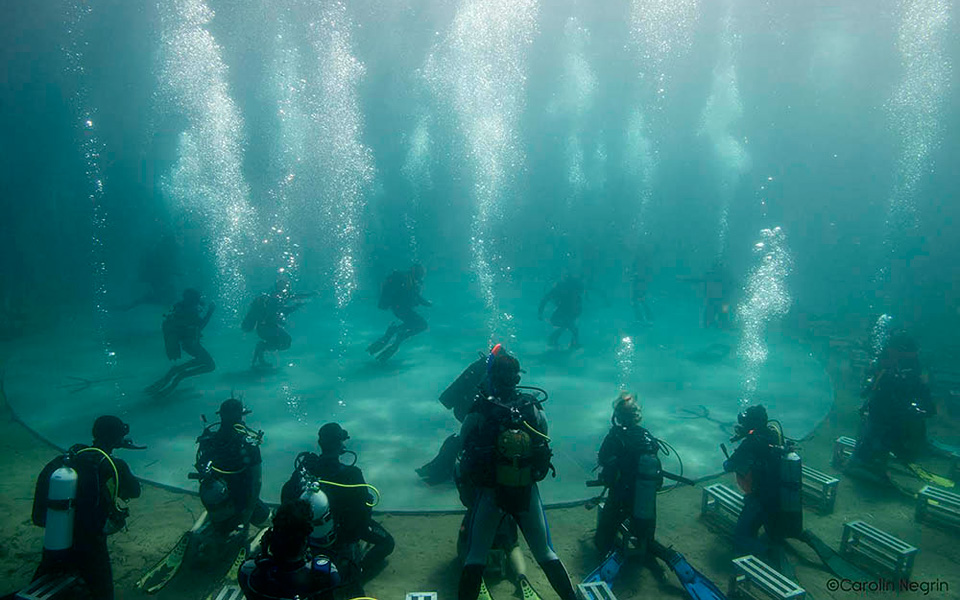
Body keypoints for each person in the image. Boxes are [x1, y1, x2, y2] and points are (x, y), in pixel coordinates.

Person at [457, 345, 577, 600]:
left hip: (491, 492)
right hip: (525, 490)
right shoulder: (531, 405)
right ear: (518, 379)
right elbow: (544, 436)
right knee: (545, 552)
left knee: (476, 555)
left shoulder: (482, 406)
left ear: (491, 376)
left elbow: (463, 438)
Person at [30, 416, 143, 600]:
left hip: (56, 538)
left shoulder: (66, 460)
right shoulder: (113, 465)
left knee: (42, 582)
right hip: (91, 545)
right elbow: (134, 491)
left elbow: (39, 515)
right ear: (116, 438)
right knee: (102, 592)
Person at [280, 423, 394, 582]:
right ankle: (358, 570)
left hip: (309, 533)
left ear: (320, 443)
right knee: (387, 543)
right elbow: (363, 516)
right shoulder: (352, 474)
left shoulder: (305, 470)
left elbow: (286, 498)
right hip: (343, 535)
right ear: (340, 444)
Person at [851, 330, 935, 475]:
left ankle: (875, 460)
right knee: (874, 434)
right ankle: (861, 463)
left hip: (892, 408)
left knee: (883, 435)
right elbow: (875, 387)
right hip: (881, 408)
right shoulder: (888, 363)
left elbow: (917, 387)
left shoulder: (908, 364)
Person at [595, 392, 663, 558]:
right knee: (646, 524)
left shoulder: (615, 436)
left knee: (603, 534)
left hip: (621, 494)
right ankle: (649, 546)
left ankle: (605, 550)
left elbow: (603, 458)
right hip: (645, 493)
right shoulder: (647, 435)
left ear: (617, 416)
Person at [194, 398, 269, 536]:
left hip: (217, 496)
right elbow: (257, 482)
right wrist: (249, 511)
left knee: (213, 514)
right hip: (241, 498)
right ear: (241, 416)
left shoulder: (209, 440)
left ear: (221, 415)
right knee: (268, 524)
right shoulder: (247, 445)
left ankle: (194, 532)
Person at [239, 499, 340, 600]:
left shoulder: (248, 572)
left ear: (271, 539)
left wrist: (264, 554)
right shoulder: (326, 575)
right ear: (305, 541)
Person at [722, 405, 786, 562]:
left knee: (741, 538)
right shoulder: (773, 434)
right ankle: (773, 534)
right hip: (780, 496)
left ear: (751, 425)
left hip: (760, 499)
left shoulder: (750, 443)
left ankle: (768, 554)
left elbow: (729, 465)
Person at [416, 353, 487, 485]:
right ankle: (441, 468)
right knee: (467, 437)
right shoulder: (492, 374)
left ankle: (439, 467)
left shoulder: (483, 370)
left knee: (462, 438)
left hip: (466, 409)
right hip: (472, 411)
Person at [145, 288, 215, 396]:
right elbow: (200, 326)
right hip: (191, 344)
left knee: (203, 361)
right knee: (210, 365)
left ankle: (177, 372)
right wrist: (210, 312)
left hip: (188, 343)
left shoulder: (180, 307)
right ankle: (179, 376)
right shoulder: (190, 309)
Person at [243, 277, 314, 369]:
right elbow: (281, 311)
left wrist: (308, 297)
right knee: (285, 342)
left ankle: (261, 353)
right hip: (266, 329)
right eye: (284, 287)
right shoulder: (275, 297)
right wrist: (298, 305)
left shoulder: (278, 296)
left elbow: (294, 297)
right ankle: (261, 348)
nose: (286, 289)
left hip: (267, 328)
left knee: (284, 341)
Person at [368, 263, 431, 362]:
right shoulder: (407, 279)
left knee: (414, 324)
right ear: (416, 271)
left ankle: (393, 332)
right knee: (422, 325)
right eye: (421, 272)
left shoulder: (408, 279)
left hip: (399, 309)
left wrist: (424, 302)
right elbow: (414, 296)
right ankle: (398, 336)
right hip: (401, 309)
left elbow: (413, 296)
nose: (422, 275)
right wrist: (426, 303)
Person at [538, 276, 584, 349]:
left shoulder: (569, 290)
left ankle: (569, 343)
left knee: (570, 327)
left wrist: (540, 312)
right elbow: (545, 299)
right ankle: (557, 340)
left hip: (570, 311)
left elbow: (545, 299)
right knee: (570, 327)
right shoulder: (560, 289)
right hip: (565, 311)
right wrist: (540, 313)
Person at [631, 252, 653, 325]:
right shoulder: (638, 268)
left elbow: (644, 279)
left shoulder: (642, 269)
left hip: (640, 287)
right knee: (637, 303)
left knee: (641, 302)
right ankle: (640, 319)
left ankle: (647, 319)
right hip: (637, 286)